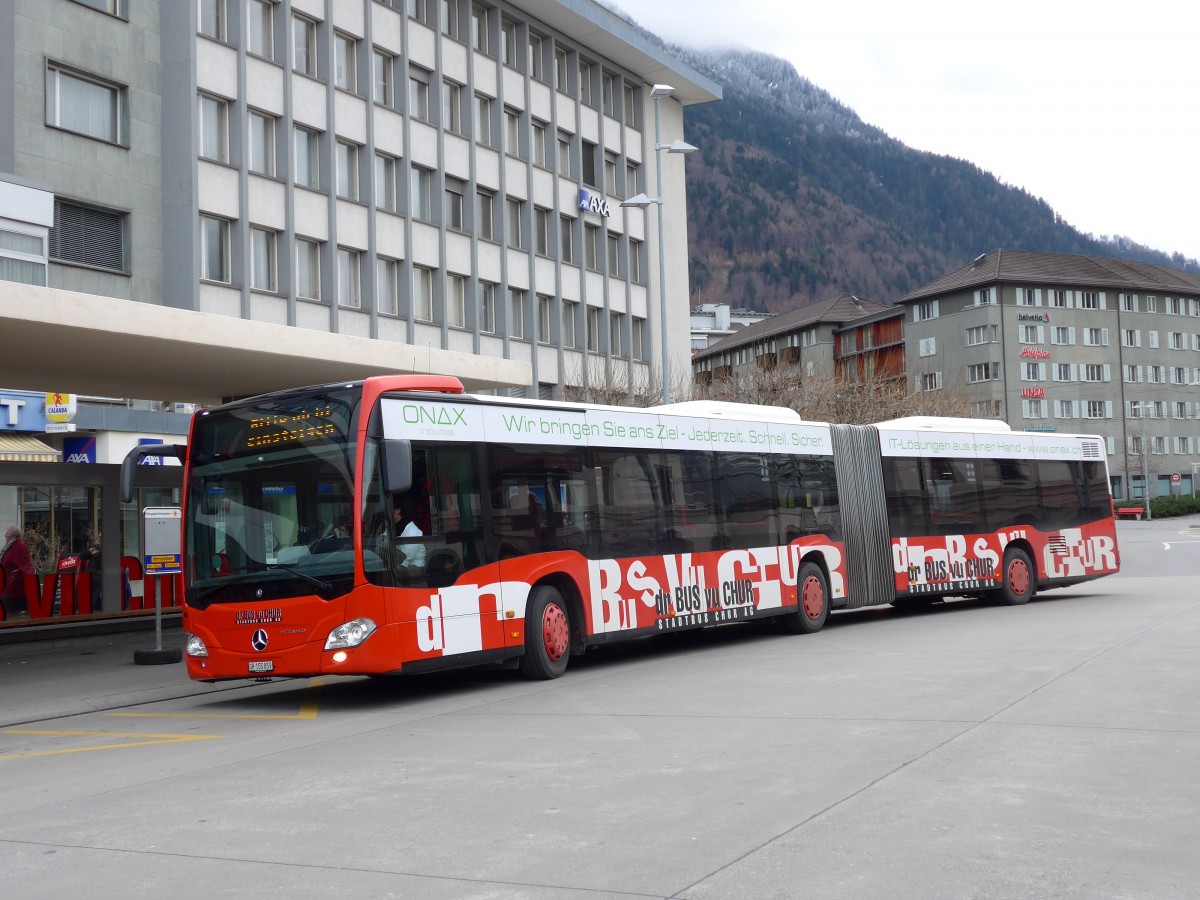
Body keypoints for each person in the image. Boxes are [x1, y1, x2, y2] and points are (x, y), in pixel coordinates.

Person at [1, 525, 34, 618]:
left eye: (7, 533)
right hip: (6, 588)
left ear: (14, 535)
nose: (5, 535)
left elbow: (26, 566)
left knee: (11, 617)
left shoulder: (19, 546)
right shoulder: (9, 546)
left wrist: (30, 584)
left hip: (13, 590)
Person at [393, 493, 426, 570]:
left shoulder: (413, 531)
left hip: (414, 573)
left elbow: (404, 560)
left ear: (397, 511)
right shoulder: (393, 526)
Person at [84, 540, 103, 611]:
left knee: (94, 600)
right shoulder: (91, 554)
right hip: (91, 580)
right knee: (91, 600)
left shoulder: (101, 554)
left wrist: (98, 554)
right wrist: (89, 552)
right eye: (95, 545)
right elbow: (82, 557)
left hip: (99, 581)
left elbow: (101, 564)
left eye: (98, 546)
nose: (96, 547)